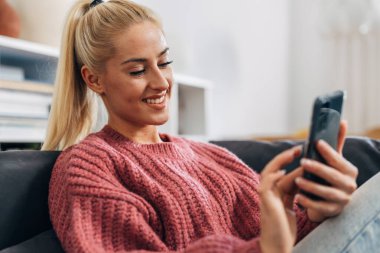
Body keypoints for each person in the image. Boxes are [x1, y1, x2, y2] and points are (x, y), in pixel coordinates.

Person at [42, 0, 379, 252]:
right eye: (137, 71)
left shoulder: (211, 156)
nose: (161, 82)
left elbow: (287, 236)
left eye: (164, 62)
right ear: (94, 79)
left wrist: (320, 212)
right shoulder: (87, 166)